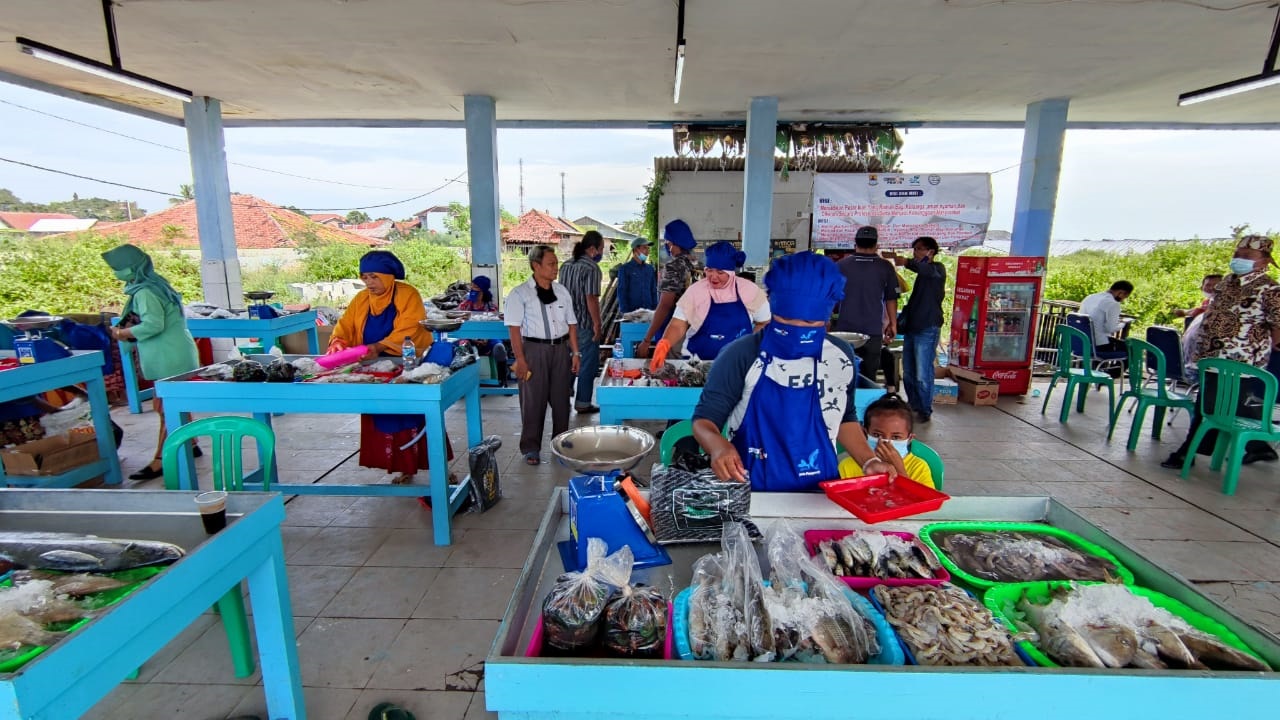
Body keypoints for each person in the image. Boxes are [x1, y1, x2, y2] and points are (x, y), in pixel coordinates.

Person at [691, 251, 891, 491]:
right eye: (784, 318)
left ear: (827, 318)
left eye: (808, 323)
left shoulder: (840, 356)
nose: (796, 328)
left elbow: (844, 417)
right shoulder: (741, 354)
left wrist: (869, 460)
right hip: (752, 491)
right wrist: (718, 447)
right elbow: (704, 421)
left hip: (821, 493)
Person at [1162, 235, 1280, 469]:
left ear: (1265, 260)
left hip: (1240, 360)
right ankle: (1259, 447)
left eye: (1247, 256)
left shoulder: (1270, 289)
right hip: (1211, 356)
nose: (1239, 259)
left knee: (1209, 404)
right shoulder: (1228, 282)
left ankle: (1189, 451)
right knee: (1224, 404)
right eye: (1237, 254)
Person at [327, 250, 441, 484]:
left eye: (375, 277)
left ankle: (439, 470)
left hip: (408, 366)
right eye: (365, 277)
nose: (369, 283)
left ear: (389, 276)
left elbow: (410, 327)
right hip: (374, 369)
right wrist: (338, 340)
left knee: (417, 418)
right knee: (382, 416)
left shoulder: (407, 294)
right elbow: (345, 324)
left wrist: (380, 346)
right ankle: (402, 468)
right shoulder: (361, 300)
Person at [102, 243, 200, 481]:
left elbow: (153, 325)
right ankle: (191, 442)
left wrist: (121, 334)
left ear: (131, 267)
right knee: (174, 403)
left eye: (119, 268)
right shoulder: (156, 284)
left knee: (166, 407)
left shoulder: (145, 292)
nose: (117, 273)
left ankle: (161, 459)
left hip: (168, 356)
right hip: (174, 352)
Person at [506, 245, 581, 465]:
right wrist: (520, 359)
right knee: (533, 401)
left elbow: (572, 325)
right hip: (533, 351)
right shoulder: (520, 294)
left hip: (560, 350)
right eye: (551, 264)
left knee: (561, 401)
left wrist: (575, 353)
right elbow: (514, 329)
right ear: (535, 266)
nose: (555, 268)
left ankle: (561, 446)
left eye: (556, 263)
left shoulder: (562, 292)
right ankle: (531, 448)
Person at [649, 241, 770, 368]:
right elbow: (678, 324)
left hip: (738, 365)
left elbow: (764, 323)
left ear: (731, 272)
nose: (713, 277)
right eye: (709, 270)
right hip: (696, 364)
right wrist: (665, 343)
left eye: (720, 272)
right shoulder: (696, 291)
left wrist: (751, 345)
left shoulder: (749, 291)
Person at [833, 226, 900, 383]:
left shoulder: (841, 266)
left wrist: (826, 320)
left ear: (855, 243)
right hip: (873, 331)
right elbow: (891, 298)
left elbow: (830, 296)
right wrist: (893, 324)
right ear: (876, 244)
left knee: (844, 374)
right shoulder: (885, 267)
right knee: (869, 376)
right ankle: (866, 405)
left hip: (845, 330)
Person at [894, 236, 947, 423]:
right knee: (908, 371)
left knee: (923, 372)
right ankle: (914, 404)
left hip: (927, 328)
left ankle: (925, 408)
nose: (915, 252)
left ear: (930, 252)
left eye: (919, 249)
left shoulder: (937, 269)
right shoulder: (923, 275)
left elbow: (923, 269)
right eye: (914, 249)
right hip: (912, 328)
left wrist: (906, 262)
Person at [836, 395, 936, 489]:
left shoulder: (918, 467)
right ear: (865, 434)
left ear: (910, 439)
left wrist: (899, 470)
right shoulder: (847, 466)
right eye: (877, 435)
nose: (885, 443)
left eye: (896, 437)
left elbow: (925, 504)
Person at [636, 219, 698, 359]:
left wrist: (646, 340)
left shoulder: (673, 267)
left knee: (669, 372)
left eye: (667, 242)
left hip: (672, 329)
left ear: (672, 243)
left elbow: (665, 305)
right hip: (692, 328)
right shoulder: (694, 265)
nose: (666, 245)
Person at [558, 231, 604, 414]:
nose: (601, 253)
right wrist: (597, 324)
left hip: (564, 324)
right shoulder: (591, 268)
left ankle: (563, 395)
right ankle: (583, 402)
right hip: (583, 323)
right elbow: (591, 298)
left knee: (569, 359)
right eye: (601, 248)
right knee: (588, 363)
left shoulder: (566, 265)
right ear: (592, 249)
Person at [457, 275, 509, 386]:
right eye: (472, 286)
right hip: (469, 337)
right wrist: (474, 339)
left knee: (499, 348)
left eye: (475, 287)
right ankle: (466, 382)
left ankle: (503, 380)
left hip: (488, 338)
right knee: (463, 346)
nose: (472, 289)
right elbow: (459, 320)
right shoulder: (465, 305)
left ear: (483, 290)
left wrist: (485, 338)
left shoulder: (490, 306)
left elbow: (494, 324)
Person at [1078, 281, 1134, 352]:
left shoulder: (1090, 297)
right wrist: (1123, 323)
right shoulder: (1113, 304)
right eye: (1125, 297)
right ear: (1121, 293)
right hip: (1098, 344)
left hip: (1081, 341)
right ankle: (1119, 363)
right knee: (1129, 349)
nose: (1122, 300)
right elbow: (1110, 329)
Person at [616, 237, 658, 314]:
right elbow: (622, 292)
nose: (647, 252)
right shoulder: (625, 269)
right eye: (644, 248)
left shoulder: (650, 269)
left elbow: (653, 290)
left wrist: (655, 310)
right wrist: (625, 313)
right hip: (632, 313)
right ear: (636, 250)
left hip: (649, 313)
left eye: (648, 249)